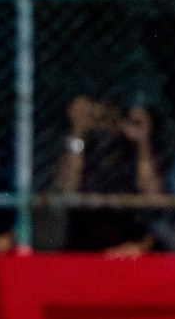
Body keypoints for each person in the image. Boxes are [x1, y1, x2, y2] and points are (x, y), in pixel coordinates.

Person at [57, 95, 160, 256]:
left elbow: (153, 196)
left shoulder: (133, 156)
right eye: (99, 120)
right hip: (83, 250)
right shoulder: (82, 153)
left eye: (110, 119)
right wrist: (78, 130)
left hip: (127, 248)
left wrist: (142, 141)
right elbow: (67, 188)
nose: (105, 128)